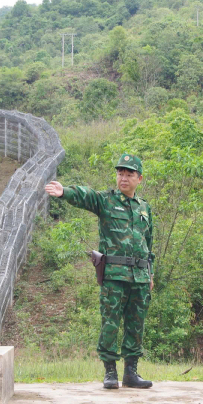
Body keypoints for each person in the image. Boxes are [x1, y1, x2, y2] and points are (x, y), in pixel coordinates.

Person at [44, 154, 154, 390]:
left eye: (129, 174)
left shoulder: (144, 208)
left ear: (139, 178)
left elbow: (149, 244)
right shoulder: (106, 201)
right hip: (114, 275)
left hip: (140, 277)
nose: (123, 178)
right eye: (120, 173)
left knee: (136, 324)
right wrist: (65, 192)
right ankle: (110, 372)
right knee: (110, 323)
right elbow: (86, 196)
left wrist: (150, 274)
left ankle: (131, 373)